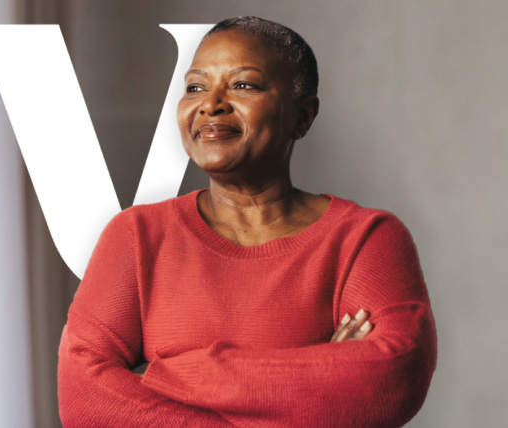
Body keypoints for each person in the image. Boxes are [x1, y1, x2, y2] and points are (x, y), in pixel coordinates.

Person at [57, 16, 436, 427]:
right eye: (195, 87)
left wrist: (168, 374)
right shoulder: (136, 237)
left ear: (303, 117)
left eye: (243, 85)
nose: (211, 104)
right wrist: (314, 385)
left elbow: (392, 380)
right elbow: (84, 397)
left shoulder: (365, 239)